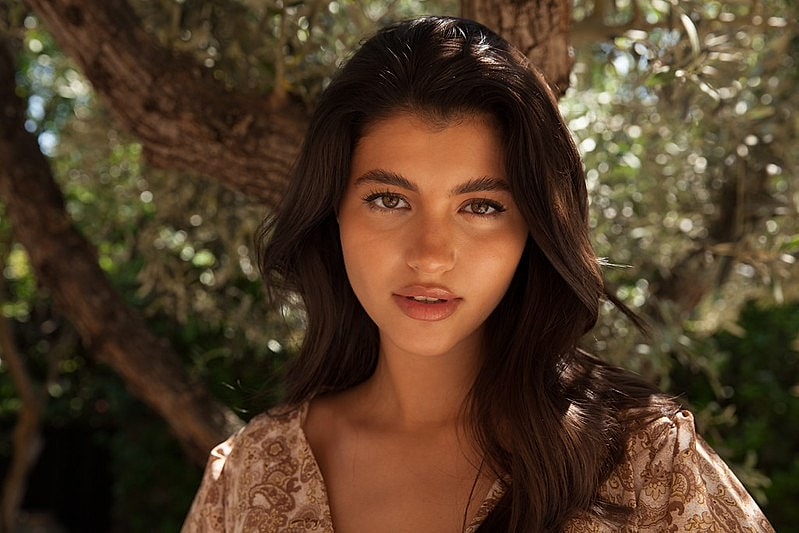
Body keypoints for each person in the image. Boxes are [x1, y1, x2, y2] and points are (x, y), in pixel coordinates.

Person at [181, 16, 773, 532]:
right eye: (389, 200)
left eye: (481, 207)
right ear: (333, 211)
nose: (431, 255)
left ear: (533, 230)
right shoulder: (249, 476)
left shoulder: (648, 465)